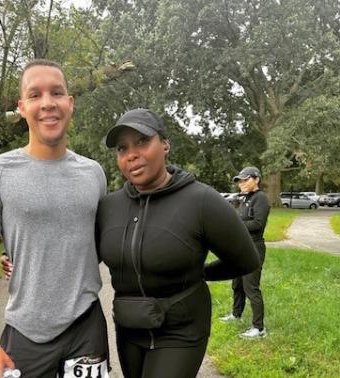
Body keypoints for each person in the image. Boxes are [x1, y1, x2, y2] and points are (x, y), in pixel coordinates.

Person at [0, 59, 110, 378]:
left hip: (86, 326)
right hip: (25, 331)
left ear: (70, 104)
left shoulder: (94, 174)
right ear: (21, 107)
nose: (47, 103)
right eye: (35, 95)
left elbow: (98, 245)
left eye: (57, 93)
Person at [95, 109, 260, 378]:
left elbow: (246, 260)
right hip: (130, 326)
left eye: (142, 142)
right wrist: (19, 261)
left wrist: (201, 273)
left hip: (180, 330)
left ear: (165, 144)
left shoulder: (201, 201)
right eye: (122, 148)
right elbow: (80, 256)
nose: (131, 154)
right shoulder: (109, 207)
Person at [219, 166, 271, 338]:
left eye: (245, 179)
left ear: (256, 179)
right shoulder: (244, 198)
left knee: (251, 287)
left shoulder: (261, 198)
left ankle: (259, 328)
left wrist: (235, 226)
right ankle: (236, 314)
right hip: (240, 248)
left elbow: (258, 224)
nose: (241, 183)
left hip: (254, 248)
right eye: (240, 180)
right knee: (237, 285)